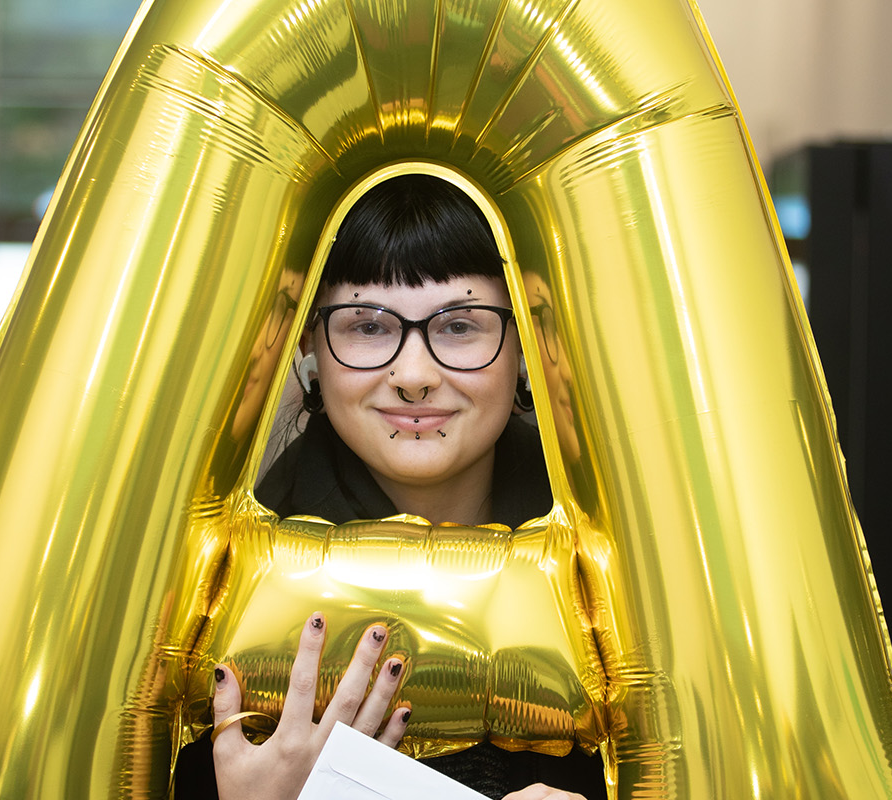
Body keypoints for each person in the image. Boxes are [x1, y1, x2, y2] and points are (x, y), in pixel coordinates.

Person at [171, 175, 602, 800]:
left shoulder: (613, 564)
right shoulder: (221, 586)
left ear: (526, 344)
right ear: (311, 342)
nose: (414, 375)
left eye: (460, 326)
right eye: (368, 327)